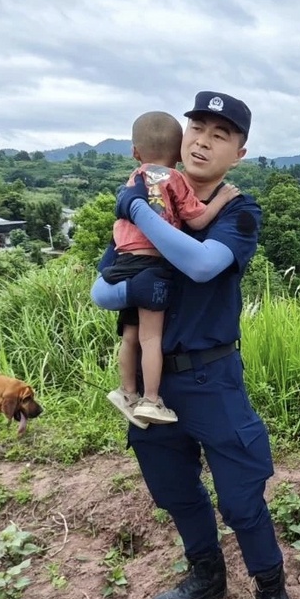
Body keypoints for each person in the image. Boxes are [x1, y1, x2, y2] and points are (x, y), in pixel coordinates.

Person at [90, 91, 299, 599]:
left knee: (242, 497)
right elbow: (102, 288)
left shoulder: (237, 212)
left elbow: (204, 264)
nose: (203, 141)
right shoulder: (148, 193)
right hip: (152, 386)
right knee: (176, 490)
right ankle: (207, 574)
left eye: (220, 134)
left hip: (212, 376)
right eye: (197, 128)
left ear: (240, 152)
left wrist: (138, 214)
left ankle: (272, 592)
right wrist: (133, 282)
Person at [103, 110, 238, 428]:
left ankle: (126, 391)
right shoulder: (174, 179)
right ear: (179, 152)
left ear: (135, 152)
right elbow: (197, 220)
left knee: (130, 335)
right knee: (151, 338)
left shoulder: (133, 180)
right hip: (152, 265)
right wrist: (222, 199)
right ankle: (151, 400)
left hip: (125, 261)